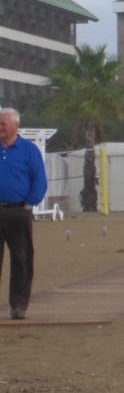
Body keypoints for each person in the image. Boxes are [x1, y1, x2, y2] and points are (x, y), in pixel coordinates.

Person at [0, 108, 47, 320]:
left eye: (3, 124)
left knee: (21, 260)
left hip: (18, 211)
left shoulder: (29, 150)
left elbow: (39, 180)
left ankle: (19, 305)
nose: (0, 128)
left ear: (15, 125)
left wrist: (29, 204)